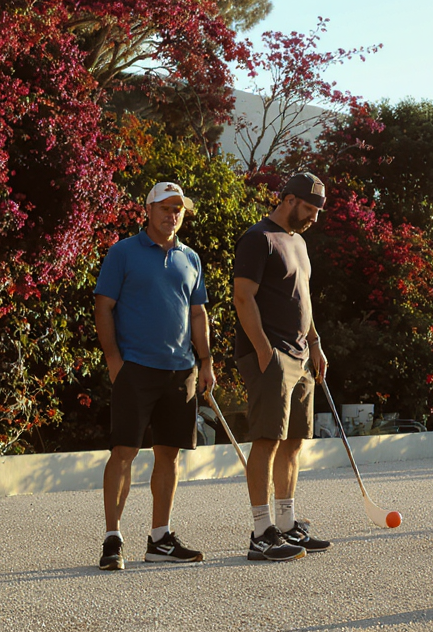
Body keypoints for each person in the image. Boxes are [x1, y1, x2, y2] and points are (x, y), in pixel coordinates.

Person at [94, 181, 215, 571]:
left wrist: (207, 361)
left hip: (181, 371)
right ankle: (113, 539)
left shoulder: (190, 258)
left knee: (170, 455)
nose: (172, 214)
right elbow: (103, 306)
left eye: (178, 208)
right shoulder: (123, 252)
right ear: (148, 210)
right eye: (165, 207)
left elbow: (198, 314)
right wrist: (115, 360)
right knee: (124, 452)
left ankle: (159, 538)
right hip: (136, 368)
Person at [232, 173, 334, 562]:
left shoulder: (300, 243)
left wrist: (315, 342)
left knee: (293, 443)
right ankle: (261, 533)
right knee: (267, 441)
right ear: (288, 200)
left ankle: (287, 525)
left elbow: (301, 299)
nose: (314, 218)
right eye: (309, 209)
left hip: (302, 356)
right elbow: (243, 298)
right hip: (271, 356)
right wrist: (264, 351)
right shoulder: (257, 239)